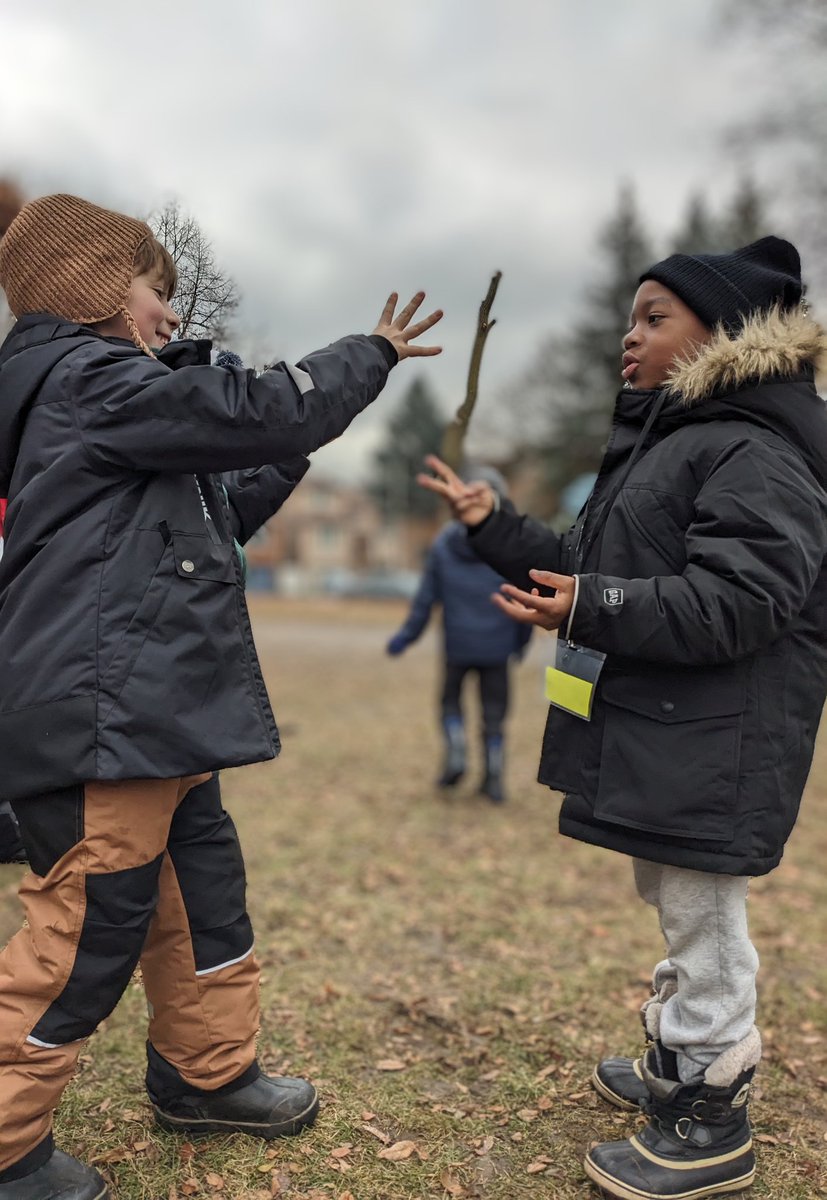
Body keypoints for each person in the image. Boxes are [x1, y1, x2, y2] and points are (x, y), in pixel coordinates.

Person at [0, 192, 442, 1200]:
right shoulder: (87, 380)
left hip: (155, 714)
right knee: (82, 929)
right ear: (93, 290)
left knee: (197, 899)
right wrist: (362, 357)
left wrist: (289, 447)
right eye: (157, 288)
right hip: (104, 717)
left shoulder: (112, 408)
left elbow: (220, 499)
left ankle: (207, 1073)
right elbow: (244, 408)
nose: (171, 311)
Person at [419, 237, 827, 1200]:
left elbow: (740, 600)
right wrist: (492, 527)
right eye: (629, 316)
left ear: (723, 334)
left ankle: (708, 1106)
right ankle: (672, 1059)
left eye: (653, 317)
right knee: (672, 896)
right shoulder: (674, 444)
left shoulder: (754, 450)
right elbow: (587, 557)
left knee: (703, 915)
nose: (625, 337)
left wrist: (589, 607)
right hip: (671, 730)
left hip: (717, 739)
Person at [386, 467, 531, 803]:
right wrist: (520, 643)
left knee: (450, 703)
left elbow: (425, 601)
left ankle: (456, 753)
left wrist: (406, 637)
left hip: (457, 646)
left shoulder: (443, 544)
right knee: (494, 713)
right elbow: (523, 599)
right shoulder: (514, 543)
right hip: (498, 647)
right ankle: (493, 777)